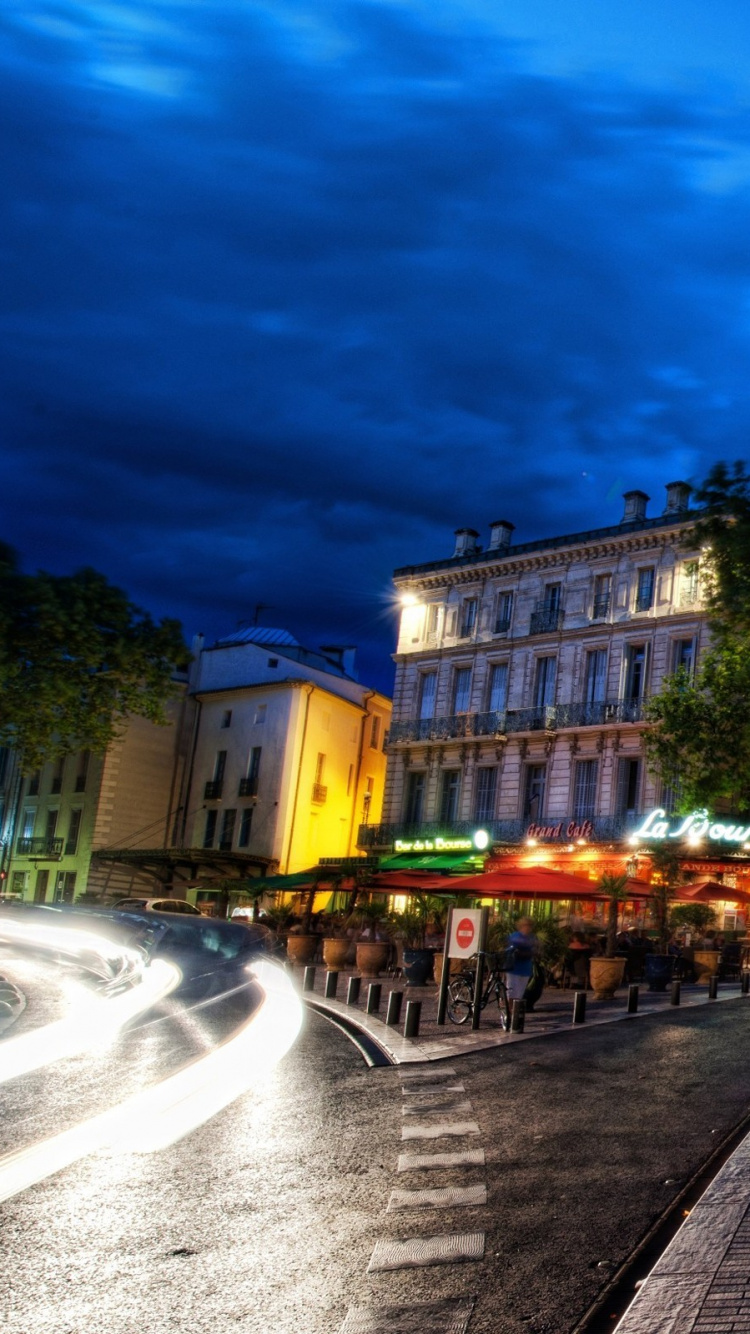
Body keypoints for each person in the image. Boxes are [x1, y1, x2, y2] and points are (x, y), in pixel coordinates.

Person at [503, 917, 539, 1004]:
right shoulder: (515, 936)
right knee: (511, 991)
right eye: (525, 925)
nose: (527, 928)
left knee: (519, 994)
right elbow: (509, 950)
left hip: (525, 968)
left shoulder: (532, 938)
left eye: (529, 926)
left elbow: (537, 950)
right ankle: (509, 1011)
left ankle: (515, 1012)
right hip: (513, 968)